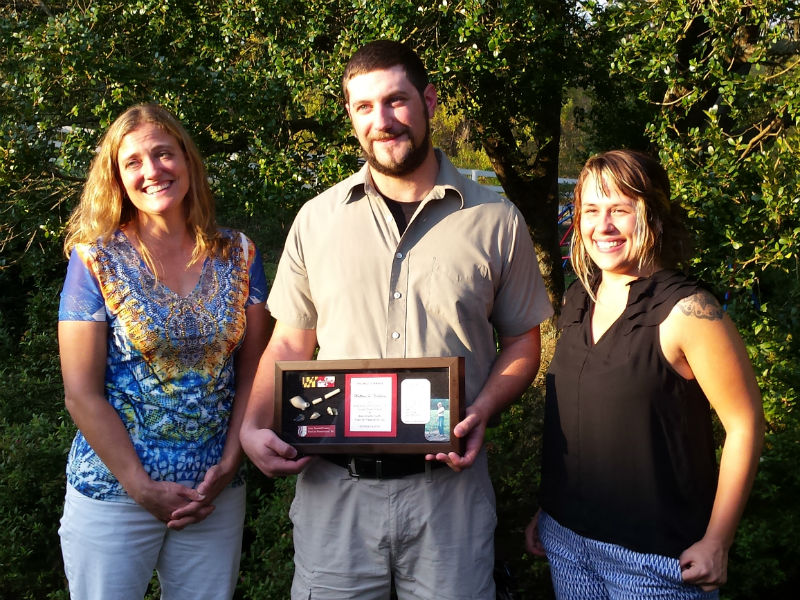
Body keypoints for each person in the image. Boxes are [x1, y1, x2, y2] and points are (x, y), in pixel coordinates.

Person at [240, 40, 553, 599]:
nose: (381, 121)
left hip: (449, 499)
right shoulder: (316, 220)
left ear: (429, 101)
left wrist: (482, 408)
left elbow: (522, 344)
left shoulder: (495, 219)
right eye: (364, 107)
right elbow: (289, 340)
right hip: (335, 495)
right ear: (350, 115)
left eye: (396, 100)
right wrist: (251, 425)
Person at [525, 150, 765, 599]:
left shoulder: (689, 311)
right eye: (591, 211)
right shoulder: (579, 298)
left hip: (652, 562)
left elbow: (745, 423)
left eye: (620, 209)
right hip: (567, 542)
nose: (604, 226)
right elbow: (580, 418)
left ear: (652, 214)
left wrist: (718, 540)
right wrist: (551, 507)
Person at [57, 103, 269, 600]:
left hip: (211, 495)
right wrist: (140, 486)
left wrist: (232, 461)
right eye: (133, 162)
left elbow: (255, 371)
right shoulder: (95, 261)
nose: (152, 171)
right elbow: (80, 395)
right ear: (117, 176)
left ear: (187, 161)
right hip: (114, 494)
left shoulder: (240, 253)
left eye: (163, 154)